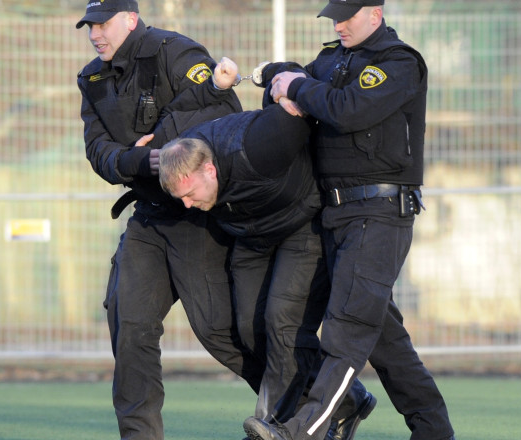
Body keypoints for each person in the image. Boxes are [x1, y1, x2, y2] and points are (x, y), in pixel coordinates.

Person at [242, 0, 456, 440]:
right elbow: (299, 80)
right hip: (336, 213)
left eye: (347, 17)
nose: (338, 26)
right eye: (334, 17)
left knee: (347, 330)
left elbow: (349, 108)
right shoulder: (333, 60)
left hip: (378, 213)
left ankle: (303, 432)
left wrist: (297, 87)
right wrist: (271, 78)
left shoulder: (397, 63)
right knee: (383, 339)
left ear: (375, 14)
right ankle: (434, 431)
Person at [74, 0, 265, 438]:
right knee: (130, 327)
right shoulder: (93, 79)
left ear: (131, 19)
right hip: (148, 215)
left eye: (103, 24)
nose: (96, 34)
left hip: (195, 212)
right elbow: (99, 151)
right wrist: (142, 163)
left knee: (220, 332)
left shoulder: (174, 51)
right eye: (90, 27)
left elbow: (222, 109)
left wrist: (162, 144)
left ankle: (314, 401)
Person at [153, 58, 376, 438]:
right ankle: (348, 398)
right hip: (253, 235)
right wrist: (137, 155)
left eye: (190, 195)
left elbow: (296, 91)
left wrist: (278, 76)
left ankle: (276, 427)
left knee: (282, 322)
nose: (187, 205)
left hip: (302, 223)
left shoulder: (261, 144)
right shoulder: (189, 164)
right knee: (249, 328)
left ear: (209, 170)